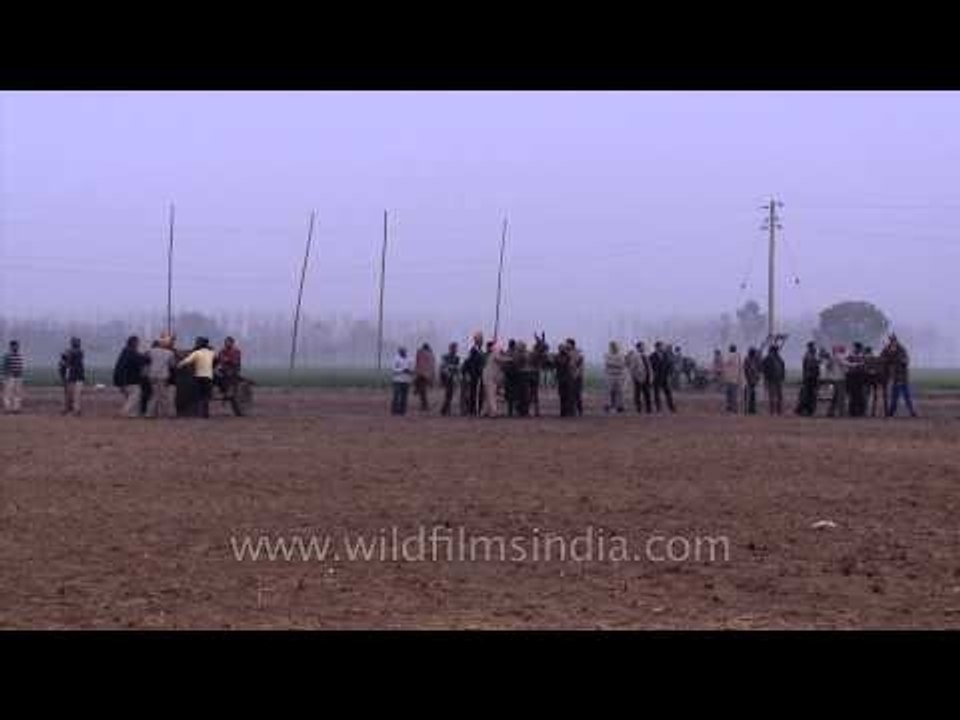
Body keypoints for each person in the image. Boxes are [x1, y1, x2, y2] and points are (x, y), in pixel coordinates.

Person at [177, 337, 216, 418]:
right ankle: (205, 413)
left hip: (199, 376)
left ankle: (198, 412)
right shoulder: (211, 353)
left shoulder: (197, 353)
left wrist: (179, 365)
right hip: (209, 376)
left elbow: (187, 361)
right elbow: (216, 360)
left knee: (199, 395)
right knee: (206, 395)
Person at [882, 334, 918, 418]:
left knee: (906, 396)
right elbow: (883, 357)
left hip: (902, 376)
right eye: (890, 340)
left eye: (892, 340)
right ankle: (891, 413)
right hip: (895, 376)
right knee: (895, 397)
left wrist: (895, 358)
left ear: (895, 340)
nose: (891, 341)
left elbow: (905, 360)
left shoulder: (901, 349)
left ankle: (912, 412)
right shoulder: (887, 349)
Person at [113, 335, 148, 418]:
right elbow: (142, 359)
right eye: (137, 342)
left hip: (122, 379)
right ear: (134, 343)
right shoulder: (131, 352)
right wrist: (147, 357)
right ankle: (124, 412)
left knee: (131, 396)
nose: (138, 344)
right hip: (130, 380)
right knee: (135, 396)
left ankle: (133, 414)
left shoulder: (125, 352)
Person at [145, 337, 176, 418]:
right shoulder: (169, 353)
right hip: (163, 376)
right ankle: (167, 413)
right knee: (163, 395)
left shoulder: (151, 351)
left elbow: (146, 359)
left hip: (152, 375)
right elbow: (172, 365)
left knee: (154, 394)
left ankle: (149, 413)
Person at [59, 337, 85, 416]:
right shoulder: (73, 352)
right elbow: (65, 362)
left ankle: (76, 410)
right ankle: (68, 409)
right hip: (72, 377)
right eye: (74, 342)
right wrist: (64, 357)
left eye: (76, 343)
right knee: (69, 394)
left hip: (77, 377)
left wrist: (65, 355)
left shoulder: (78, 352)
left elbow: (73, 355)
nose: (75, 344)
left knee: (75, 395)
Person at [461, 332, 485, 416]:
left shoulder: (480, 351)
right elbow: (471, 363)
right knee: (474, 393)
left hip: (479, 374)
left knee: (478, 393)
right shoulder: (474, 351)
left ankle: (476, 409)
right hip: (475, 374)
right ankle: (473, 410)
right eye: (480, 339)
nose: (482, 341)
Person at [626, 341, 652, 414]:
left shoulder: (646, 356)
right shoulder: (635, 356)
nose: (644, 347)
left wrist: (650, 376)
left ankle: (649, 409)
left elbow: (649, 367)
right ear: (638, 347)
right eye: (642, 346)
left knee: (647, 393)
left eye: (644, 346)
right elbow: (632, 367)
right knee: (637, 394)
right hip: (638, 378)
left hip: (646, 377)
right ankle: (638, 409)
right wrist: (634, 376)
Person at [650, 341, 676, 413]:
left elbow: (669, 365)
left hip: (665, 377)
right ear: (656, 347)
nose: (661, 348)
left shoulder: (666, 355)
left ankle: (672, 407)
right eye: (660, 346)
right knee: (657, 394)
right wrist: (652, 376)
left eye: (662, 346)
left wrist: (670, 374)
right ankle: (659, 408)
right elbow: (650, 367)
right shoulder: (652, 356)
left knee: (668, 393)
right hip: (656, 377)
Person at [796, 341, 821, 417]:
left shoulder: (809, 356)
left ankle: (807, 410)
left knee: (809, 395)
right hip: (810, 378)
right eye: (812, 347)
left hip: (811, 378)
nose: (814, 349)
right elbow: (810, 367)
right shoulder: (809, 356)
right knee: (808, 396)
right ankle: (806, 410)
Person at [481, 341, 505, 418]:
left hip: (489, 377)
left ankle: (484, 412)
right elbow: (501, 359)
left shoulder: (491, 354)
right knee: (491, 395)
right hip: (489, 378)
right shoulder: (494, 354)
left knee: (488, 395)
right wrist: (511, 359)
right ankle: (493, 412)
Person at [761, 344, 786, 415]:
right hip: (771, 380)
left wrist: (782, 377)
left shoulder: (779, 358)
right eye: (775, 350)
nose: (776, 351)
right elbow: (763, 369)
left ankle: (778, 411)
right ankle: (773, 411)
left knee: (778, 396)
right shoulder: (768, 358)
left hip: (777, 379)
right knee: (773, 396)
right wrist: (766, 378)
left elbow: (782, 368)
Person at [824, 345, 848, 418]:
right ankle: (842, 413)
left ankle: (830, 412)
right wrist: (856, 364)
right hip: (840, 379)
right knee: (841, 396)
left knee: (835, 397)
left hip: (835, 379)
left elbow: (828, 367)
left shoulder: (832, 358)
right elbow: (845, 364)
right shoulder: (838, 357)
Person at [845, 342, 868, 417]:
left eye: (855, 347)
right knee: (853, 395)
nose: (854, 348)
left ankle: (859, 411)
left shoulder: (862, 356)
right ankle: (853, 412)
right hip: (853, 377)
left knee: (859, 395)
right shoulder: (851, 355)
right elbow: (847, 364)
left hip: (859, 377)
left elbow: (864, 366)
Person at [603, 341, 627, 413]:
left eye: (615, 346)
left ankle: (620, 406)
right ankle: (608, 405)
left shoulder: (621, 355)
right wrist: (616, 363)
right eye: (612, 346)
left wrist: (613, 363)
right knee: (609, 391)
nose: (614, 347)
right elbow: (607, 364)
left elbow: (622, 365)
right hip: (610, 375)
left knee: (620, 391)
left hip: (619, 375)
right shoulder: (607, 355)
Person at [412, 343, 436, 412]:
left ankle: (424, 405)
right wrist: (432, 377)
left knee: (422, 390)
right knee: (423, 390)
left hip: (420, 373)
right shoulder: (431, 355)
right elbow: (432, 366)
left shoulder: (420, 352)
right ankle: (424, 404)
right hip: (426, 374)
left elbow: (417, 362)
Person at [2, 340, 25, 414]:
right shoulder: (7, 355)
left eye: (17, 346)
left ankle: (16, 409)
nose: (16, 347)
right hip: (10, 377)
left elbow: (20, 366)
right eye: (14, 346)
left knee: (17, 393)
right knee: (8, 393)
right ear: (11, 347)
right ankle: (7, 408)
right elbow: (4, 366)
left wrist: (21, 375)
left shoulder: (20, 355)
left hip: (18, 376)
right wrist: (5, 376)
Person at [390, 346, 414, 415]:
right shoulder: (396, 359)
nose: (402, 352)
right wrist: (402, 370)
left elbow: (412, 369)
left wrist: (410, 371)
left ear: (406, 351)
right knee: (396, 396)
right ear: (399, 352)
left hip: (406, 380)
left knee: (404, 396)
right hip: (397, 380)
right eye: (401, 351)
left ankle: (402, 411)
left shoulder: (410, 359)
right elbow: (393, 369)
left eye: (404, 351)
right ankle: (394, 410)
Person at [554, 341, 575, 417]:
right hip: (562, 378)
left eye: (562, 348)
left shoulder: (567, 356)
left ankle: (569, 411)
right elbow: (557, 364)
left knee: (568, 395)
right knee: (562, 395)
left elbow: (565, 362)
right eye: (560, 348)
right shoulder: (558, 357)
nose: (561, 349)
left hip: (567, 377)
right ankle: (563, 411)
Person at [439, 342, 460, 416]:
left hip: (453, 377)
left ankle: (446, 410)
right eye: (454, 348)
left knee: (450, 395)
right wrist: (449, 370)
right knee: (448, 394)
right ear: (450, 348)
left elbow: (457, 368)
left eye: (455, 348)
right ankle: (444, 410)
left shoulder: (457, 358)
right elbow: (443, 367)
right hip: (447, 378)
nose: (455, 349)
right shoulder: (445, 357)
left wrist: (457, 375)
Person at [722, 344, 743, 414]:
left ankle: (731, 409)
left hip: (729, 379)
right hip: (735, 379)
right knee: (734, 395)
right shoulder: (738, 357)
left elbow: (724, 365)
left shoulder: (729, 356)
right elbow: (740, 368)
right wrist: (740, 378)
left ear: (730, 349)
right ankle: (735, 409)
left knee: (729, 395)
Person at [567, 338, 585, 416]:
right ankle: (572, 411)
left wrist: (576, 374)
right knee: (571, 394)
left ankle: (580, 410)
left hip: (577, 376)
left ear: (571, 344)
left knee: (577, 394)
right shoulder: (567, 352)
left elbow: (579, 363)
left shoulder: (578, 352)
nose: (566, 345)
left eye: (567, 343)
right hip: (570, 375)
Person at [743, 347, 761, 415]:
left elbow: (746, 369)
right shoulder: (753, 360)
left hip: (750, 380)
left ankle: (749, 409)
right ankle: (750, 409)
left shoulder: (749, 360)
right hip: (751, 380)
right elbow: (757, 370)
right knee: (751, 395)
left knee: (749, 395)